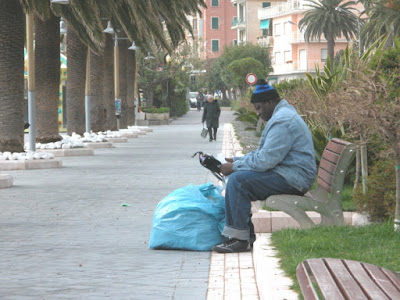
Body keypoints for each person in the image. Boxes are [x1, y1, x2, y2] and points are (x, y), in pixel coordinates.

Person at [212, 79, 317, 253]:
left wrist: (234, 168)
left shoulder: (282, 121)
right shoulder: (282, 115)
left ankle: (239, 239)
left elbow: (265, 161)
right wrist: (236, 161)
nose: (258, 113)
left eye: (259, 108)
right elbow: (264, 154)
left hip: (294, 178)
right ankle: (243, 237)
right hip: (289, 173)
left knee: (239, 181)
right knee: (239, 178)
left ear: (270, 102)